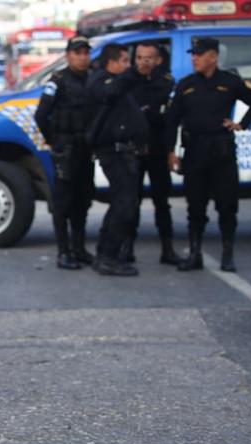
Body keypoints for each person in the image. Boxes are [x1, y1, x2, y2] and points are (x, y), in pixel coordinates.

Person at [166, 37, 251, 272]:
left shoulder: (230, 82)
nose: (194, 58)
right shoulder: (186, 85)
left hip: (222, 153)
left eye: (199, 54)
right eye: (193, 54)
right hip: (195, 152)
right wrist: (171, 152)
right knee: (195, 207)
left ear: (213, 57)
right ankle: (195, 254)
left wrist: (241, 124)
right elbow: (172, 121)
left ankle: (227, 255)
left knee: (227, 206)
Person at [87, 44, 149, 277]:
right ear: (112, 62)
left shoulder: (119, 83)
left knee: (125, 204)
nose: (128, 65)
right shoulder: (101, 82)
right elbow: (111, 91)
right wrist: (134, 73)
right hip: (113, 153)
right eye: (124, 61)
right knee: (123, 205)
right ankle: (108, 257)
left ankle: (106, 254)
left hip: (126, 153)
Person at [34, 36, 95, 270]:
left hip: (85, 150)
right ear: (68, 56)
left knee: (83, 200)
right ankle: (64, 252)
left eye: (85, 53)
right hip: (65, 150)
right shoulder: (58, 81)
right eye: (78, 53)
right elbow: (41, 115)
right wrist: (55, 141)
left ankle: (79, 249)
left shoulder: (93, 79)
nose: (82, 57)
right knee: (63, 203)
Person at [128, 42, 181, 266]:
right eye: (139, 57)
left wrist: (170, 151)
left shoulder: (166, 82)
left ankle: (167, 249)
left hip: (158, 149)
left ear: (158, 60)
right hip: (135, 150)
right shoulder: (128, 80)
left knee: (162, 202)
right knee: (131, 202)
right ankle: (127, 248)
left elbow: (167, 118)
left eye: (148, 58)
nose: (143, 62)